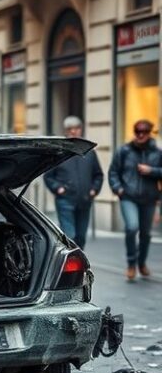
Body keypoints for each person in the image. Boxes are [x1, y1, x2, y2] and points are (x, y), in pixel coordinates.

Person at [109, 119, 162, 280]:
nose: (140, 135)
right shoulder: (124, 150)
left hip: (149, 198)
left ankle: (142, 263)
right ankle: (131, 264)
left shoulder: (157, 153)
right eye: (137, 131)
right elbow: (113, 172)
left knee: (145, 234)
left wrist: (151, 170)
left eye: (143, 132)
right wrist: (118, 189)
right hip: (128, 197)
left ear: (149, 133)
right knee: (132, 228)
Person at [44, 116, 103, 249]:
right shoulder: (59, 152)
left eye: (76, 128)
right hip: (65, 200)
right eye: (70, 129)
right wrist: (58, 188)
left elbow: (98, 175)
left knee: (81, 237)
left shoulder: (89, 153)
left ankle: (78, 265)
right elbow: (48, 176)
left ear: (80, 130)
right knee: (70, 235)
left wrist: (94, 190)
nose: (73, 132)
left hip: (85, 200)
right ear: (66, 131)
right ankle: (68, 265)